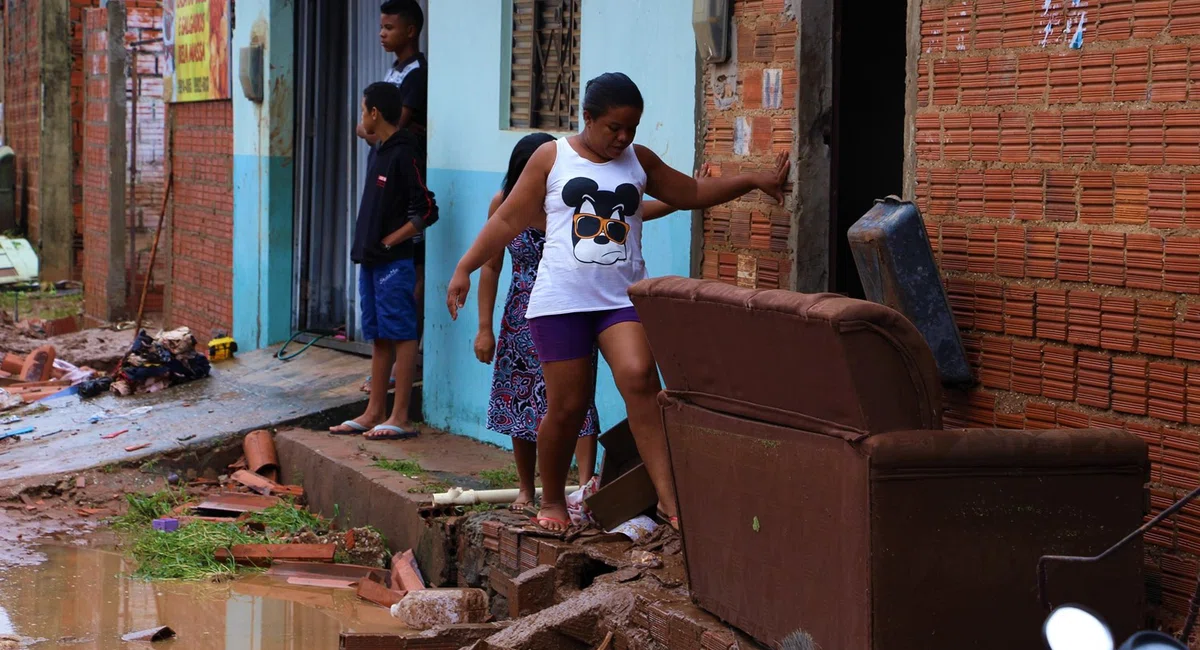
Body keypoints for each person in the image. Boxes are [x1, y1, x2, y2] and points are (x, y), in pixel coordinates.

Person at [447, 72, 789, 532]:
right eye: (613, 128)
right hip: (561, 301)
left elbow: (688, 193)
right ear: (588, 118)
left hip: (619, 299)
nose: (623, 137)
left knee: (640, 379)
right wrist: (464, 268)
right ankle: (550, 502)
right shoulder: (552, 159)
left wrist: (751, 180)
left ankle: (672, 503)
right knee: (567, 407)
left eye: (631, 128)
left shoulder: (637, 161)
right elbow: (508, 217)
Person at [475, 133, 691, 514]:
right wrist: (484, 326)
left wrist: (678, 202)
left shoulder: (571, 202)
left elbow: (630, 212)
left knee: (578, 401)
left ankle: (587, 482)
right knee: (523, 402)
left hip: (575, 307)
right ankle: (529, 489)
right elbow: (491, 265)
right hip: (524, 314)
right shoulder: (508, 204)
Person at [332, 82, 438, 440]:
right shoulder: (379, 150)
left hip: (395, 263)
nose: (361, 118)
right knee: (378, 335)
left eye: (364, 110)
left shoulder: (405, 153)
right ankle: (374, 411)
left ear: (375, 113)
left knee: (402, 333)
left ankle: (401, 415)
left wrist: (392, 240)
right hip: (371, 260)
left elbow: (427, 209)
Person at [359, 0, 429, 392]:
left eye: (389, 27)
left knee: (410, 278)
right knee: (380, 301)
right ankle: (386, 373)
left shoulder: (416, 74)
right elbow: (372, 128)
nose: (382, 33)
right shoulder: (394, 71)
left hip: (403, 186)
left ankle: (411, 362)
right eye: (380, 27)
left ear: (411, 31)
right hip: (382, 178)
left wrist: (373, 129)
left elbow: (391, 127)